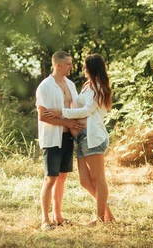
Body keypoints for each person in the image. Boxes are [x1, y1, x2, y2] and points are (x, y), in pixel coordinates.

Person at [41, 53, 115, 225]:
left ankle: (99, 219)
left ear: (92, 68)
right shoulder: (87, 85)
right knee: (84, 181)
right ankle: (108, 215)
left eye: (84, 66)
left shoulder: (97, 87)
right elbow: (79, 107)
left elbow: (87, 110)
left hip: (93, 137)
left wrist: (62, 112)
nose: (81, 68)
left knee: (99, 179)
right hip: (82, 138)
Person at [35, 51, 85, 231]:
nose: (71, 66)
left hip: (67, 137)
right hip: (52, 138)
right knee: (50, 178)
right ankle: (45, 220)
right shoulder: (45, 87)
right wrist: (68, 122)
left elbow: (74, 109)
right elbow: (43, 116)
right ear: (58, 65)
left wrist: (72, 125)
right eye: (69, 64)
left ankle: (58, 216)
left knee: (62, 177)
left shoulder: (70, 85)